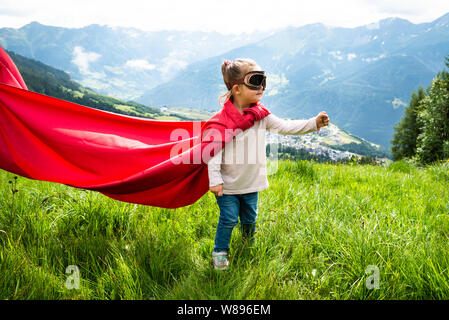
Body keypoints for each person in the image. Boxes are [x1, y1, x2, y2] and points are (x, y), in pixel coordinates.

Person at [208, 58, 330, 270]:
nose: (261, 87)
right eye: (255, 80)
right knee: (228, 219)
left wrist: (313, 123)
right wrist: (215, 179)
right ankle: (220, 253)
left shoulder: (261, 116)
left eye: (264, 81)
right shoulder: (221, 122)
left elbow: (286, 126)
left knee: (250, 219)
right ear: (237, 88)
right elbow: (213, 152)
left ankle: (248, 247)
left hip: (251, 184)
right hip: (227, 186)